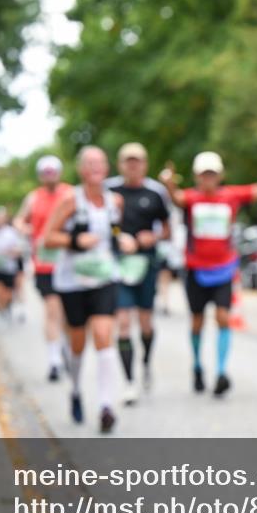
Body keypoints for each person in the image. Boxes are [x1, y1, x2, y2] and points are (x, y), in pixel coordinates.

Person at [159, 151, 257, 396]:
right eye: (204, 174)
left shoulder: (230, 196)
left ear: (220, 175)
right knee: (197, 322)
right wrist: (169, 183)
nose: (208, 178)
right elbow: (176, 197)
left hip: (223, 269)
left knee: (223, 318)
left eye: (212, 174)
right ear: (197, 176)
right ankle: (197, 365)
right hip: (195, 269)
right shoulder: (192, 198)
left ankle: (222, 371)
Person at [43, 146, 137, 434]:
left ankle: (106, 406)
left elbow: (117, 232)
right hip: (73, 281)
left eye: (100, 162)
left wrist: (126, 242)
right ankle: (75, 389)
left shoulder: (115, 201)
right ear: (82, 170)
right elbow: (48, 238)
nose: (96, 167)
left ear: (106, 169)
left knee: (103, 335)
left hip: (104, 278)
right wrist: (75, 240)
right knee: (78, 343)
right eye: (90, 163)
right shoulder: (71, 200)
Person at [106, 142, 172, 403]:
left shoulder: (155, 192)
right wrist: (118, 237)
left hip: (146, 264)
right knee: (122, 322)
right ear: (120, 164)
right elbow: (103, 225)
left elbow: (167, 229)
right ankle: (129, 381)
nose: (132, 166)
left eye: (137, 161)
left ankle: (145, 362)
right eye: (127, 161)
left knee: (145, 322)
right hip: (119, 264)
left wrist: (151, 237)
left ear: (144, 164)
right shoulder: (110, 190)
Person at [14, 155, 73, 382]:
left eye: (53, 172)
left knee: (68, 314)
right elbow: (19, 220)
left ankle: (66, 346)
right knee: (52, 310)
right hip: (44, 263)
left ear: (59, 172)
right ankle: (54, 360)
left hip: (67, 261)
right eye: (46, 173)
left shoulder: (70, 193)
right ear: (40, 176)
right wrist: (25, 229)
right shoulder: (33, 198)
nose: (50, 176)